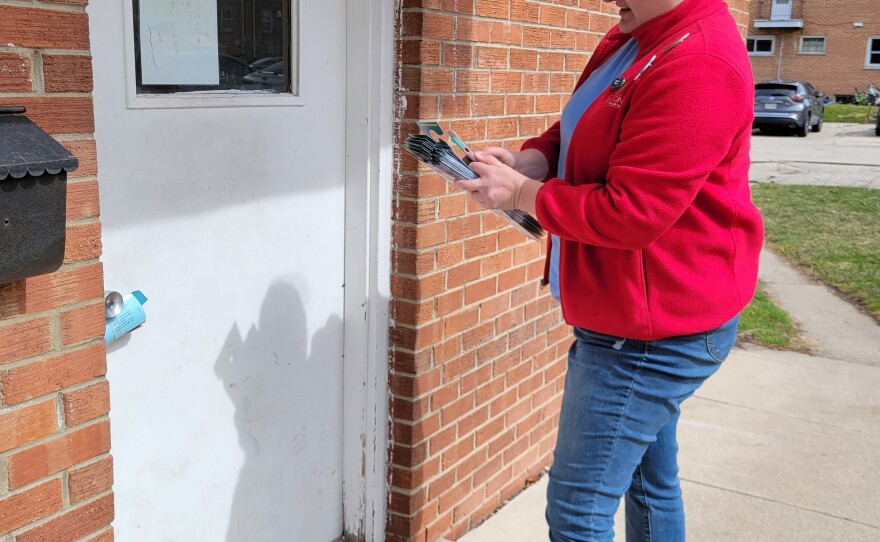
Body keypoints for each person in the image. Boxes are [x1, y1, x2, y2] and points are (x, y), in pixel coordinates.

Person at [454, 0, 764, 540]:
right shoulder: (637, 35)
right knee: (650, 484)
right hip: (642, 320)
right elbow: (585, 124)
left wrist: (524, 194)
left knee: (578, 514)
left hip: (650, 335)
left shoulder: (699, 62)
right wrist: (535, 161)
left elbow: (633, 212)